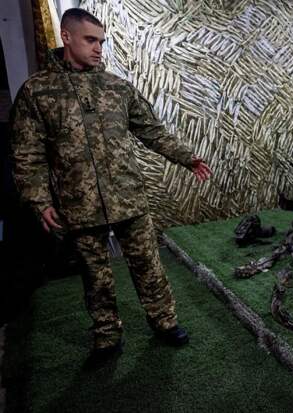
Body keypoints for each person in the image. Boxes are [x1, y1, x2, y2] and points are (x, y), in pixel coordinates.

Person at [9, 8, 212, 363]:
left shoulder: (117, 88)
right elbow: (27, 153)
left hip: (128, 197)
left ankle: (164, 322)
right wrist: (39, 201)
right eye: (90, 40)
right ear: (66, 37)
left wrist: (187, 158)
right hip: (79, 205)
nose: (98, 48)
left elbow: (152, 131)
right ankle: (107, 336)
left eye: (101, 41)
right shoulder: (37, 92)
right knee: (95, 276)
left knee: (149, 266)